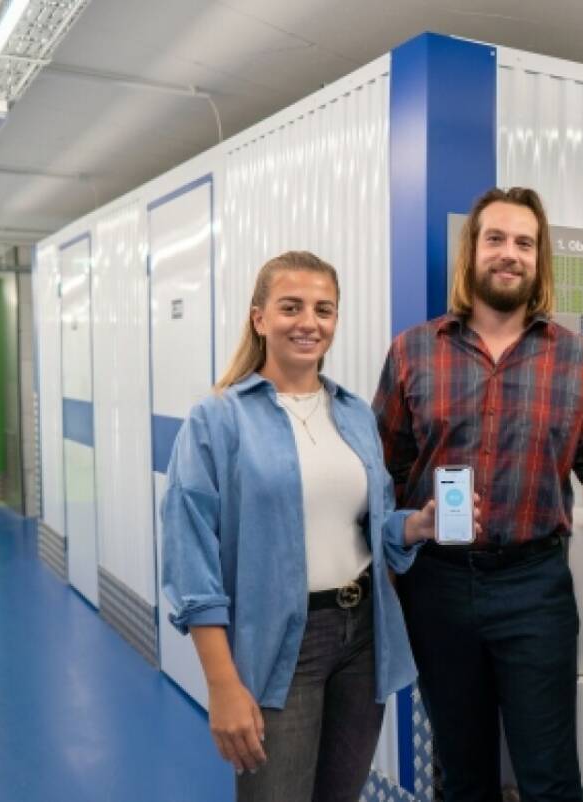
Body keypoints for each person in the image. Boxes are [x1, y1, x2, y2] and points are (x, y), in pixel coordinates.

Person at [373, 186, 583, 802]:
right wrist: (408, 527)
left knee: (548, 776)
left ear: (540, 260)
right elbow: (386, 469)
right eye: (496, 239)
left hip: (534, 587)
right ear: (473, 253)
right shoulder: (413, 353)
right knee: (462, 775)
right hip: (437, 588)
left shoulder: (577, 359)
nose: (509, 254)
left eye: (524, 242)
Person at [162, 250, 446, 802]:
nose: (309, 322)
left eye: (324, 309)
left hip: (363, 635)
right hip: (281, 644)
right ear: (259, 318)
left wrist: (412, 529)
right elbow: (190, 557)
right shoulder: (218, 419)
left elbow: (368, 526)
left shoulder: (354, 413)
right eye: (291, 307)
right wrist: (223, 684)